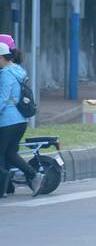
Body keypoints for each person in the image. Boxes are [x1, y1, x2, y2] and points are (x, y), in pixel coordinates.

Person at [0, 42, 44, 198]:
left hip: (7, 121)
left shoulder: (5, 73)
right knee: (11, 154)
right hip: (20, 120)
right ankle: (34, 175)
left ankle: (3, 189)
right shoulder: (18, 70)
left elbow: (3, 99)